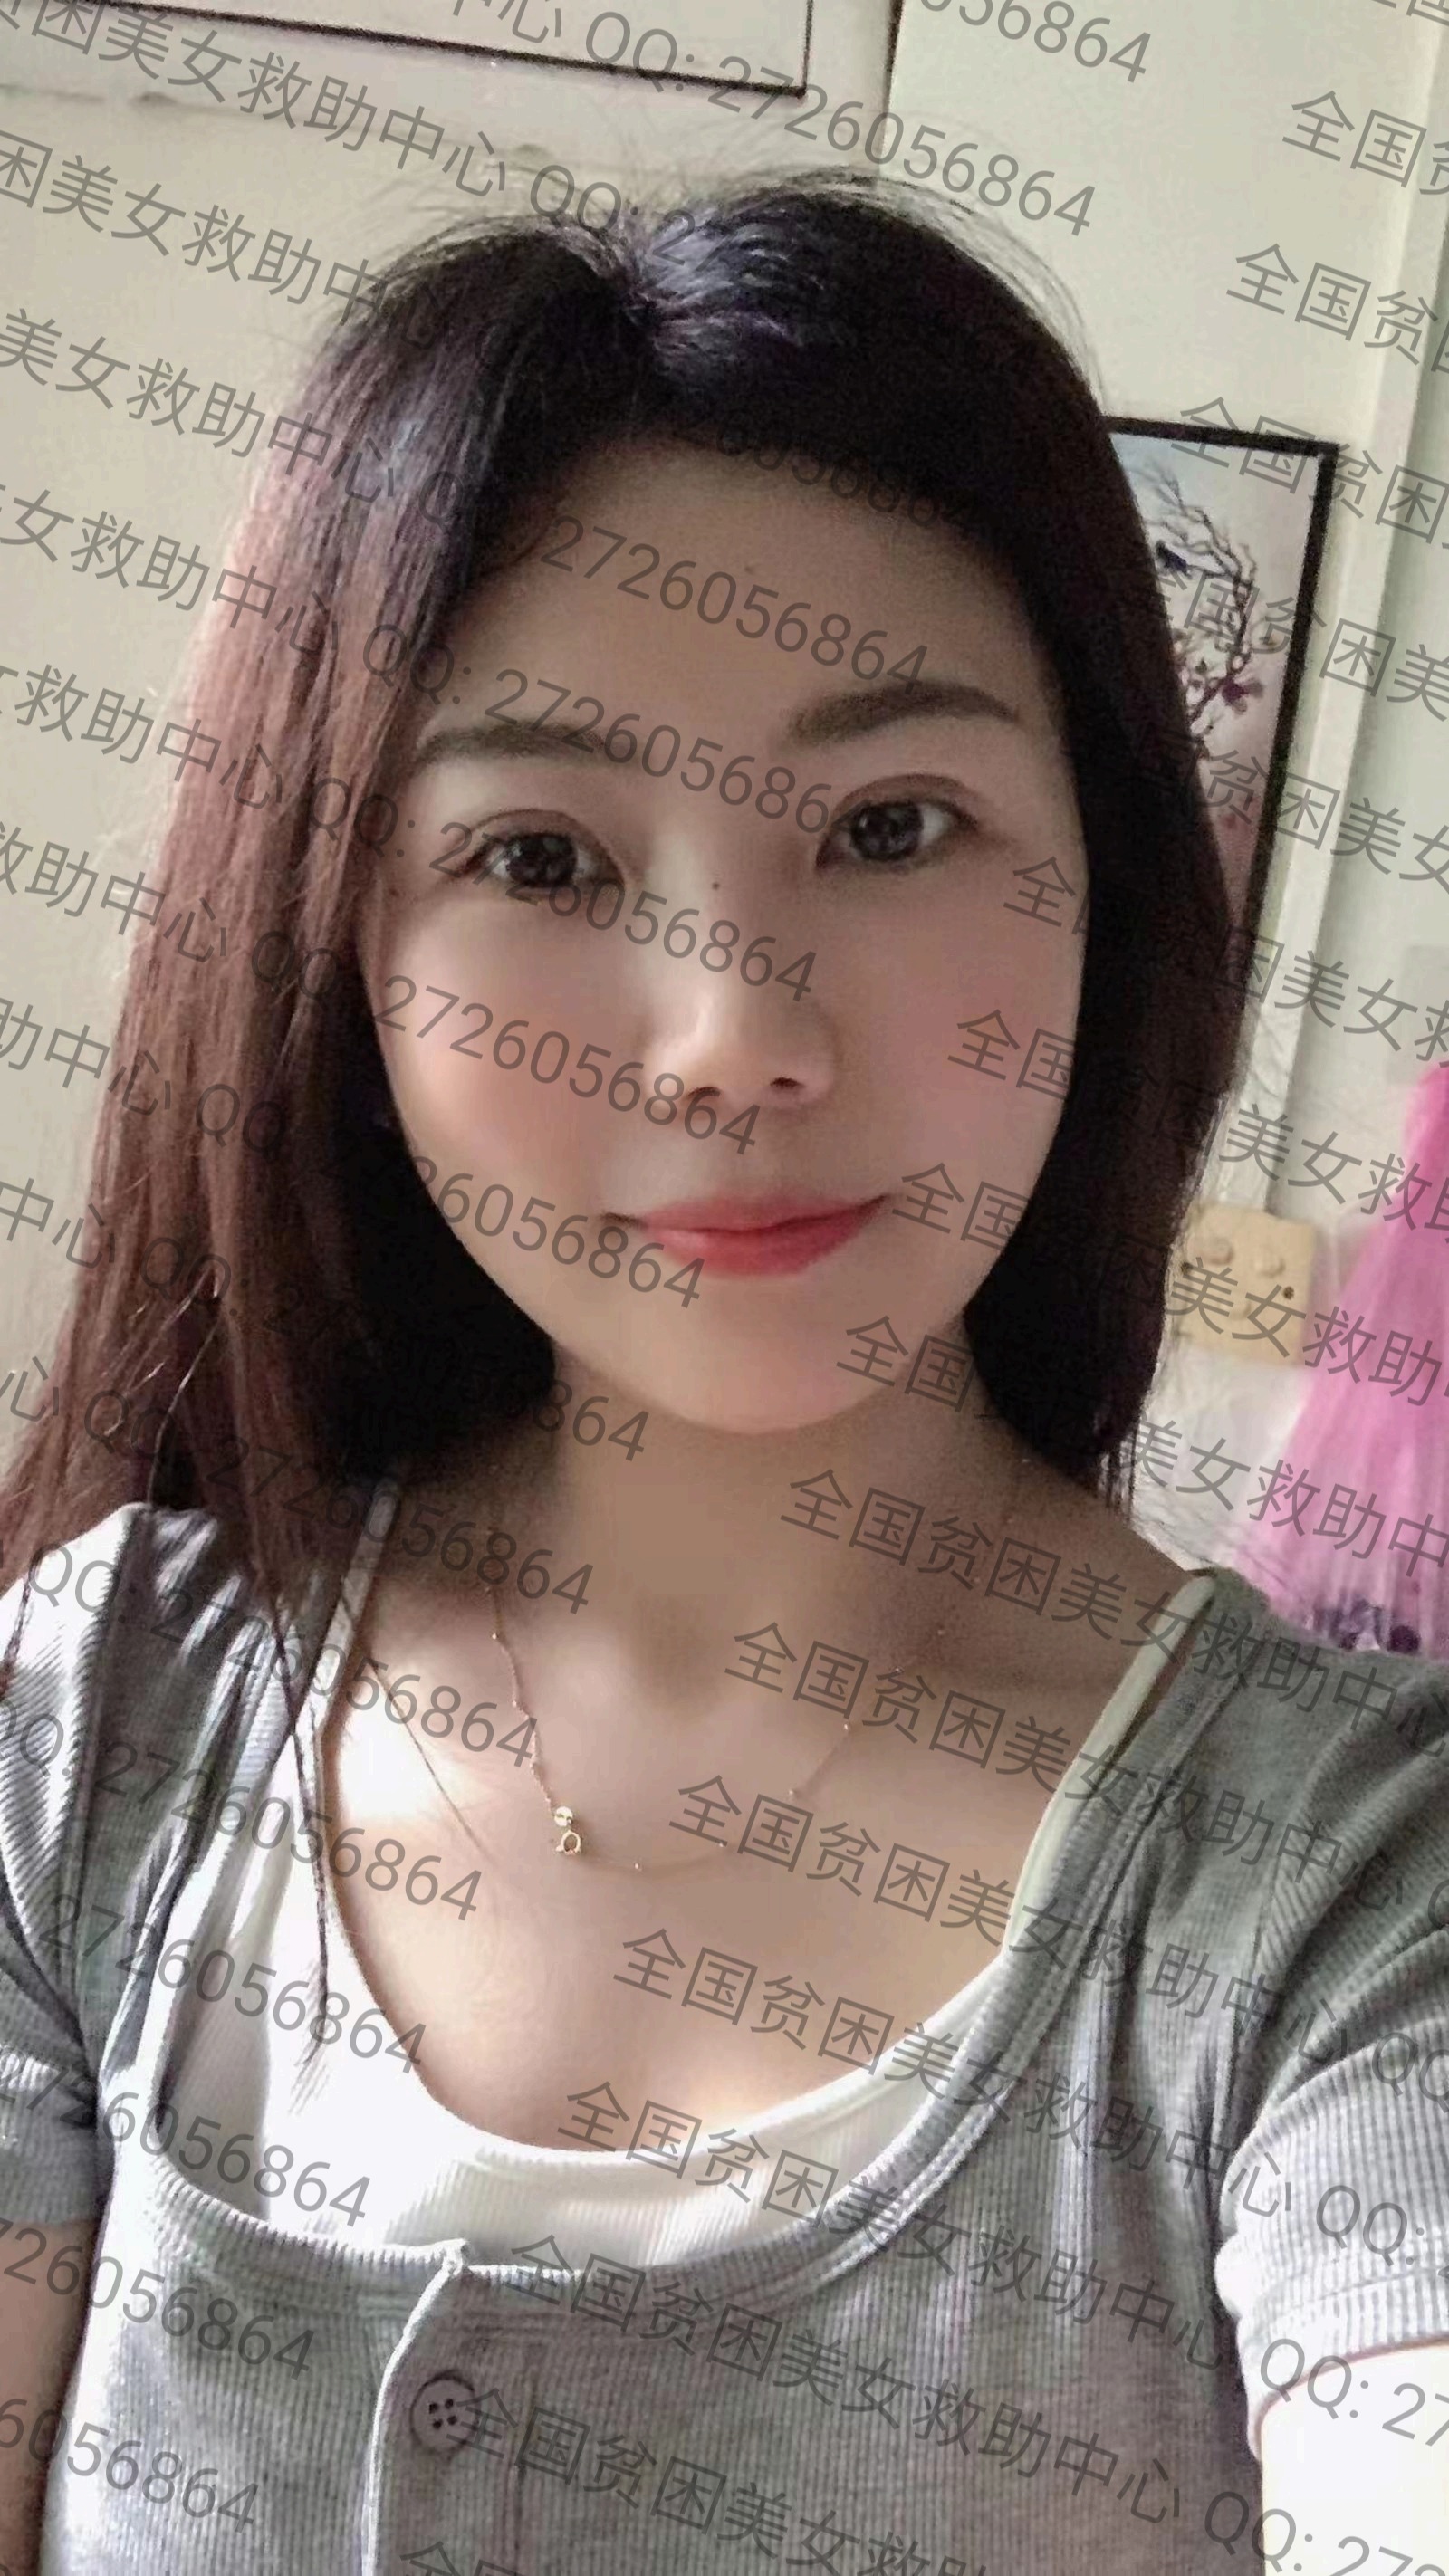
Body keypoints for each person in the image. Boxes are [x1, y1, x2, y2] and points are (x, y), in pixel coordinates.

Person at [0, 170, 1444, 2576]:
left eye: (894, 825)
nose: (734, 1036)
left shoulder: (1354, 1900)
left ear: (1105, 878)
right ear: (337, 950)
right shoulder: (97, 1719)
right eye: (541, 861)